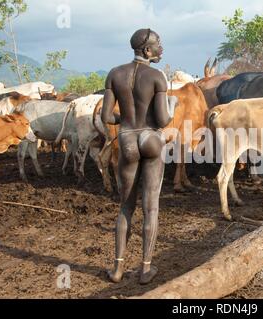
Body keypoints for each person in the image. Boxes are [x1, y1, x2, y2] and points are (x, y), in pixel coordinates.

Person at [101, 28, 178, 284]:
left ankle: (118, 270)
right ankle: (145, 269)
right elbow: (163, 120)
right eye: (159, 44)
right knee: (151, 207)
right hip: (151, 139)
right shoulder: (157, 77)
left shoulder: (114, 74)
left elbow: (106, 117)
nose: (161, 48)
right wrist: (173, 105)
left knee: (126, 206)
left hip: (127, 140)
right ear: (147, 50)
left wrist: (126, 121)